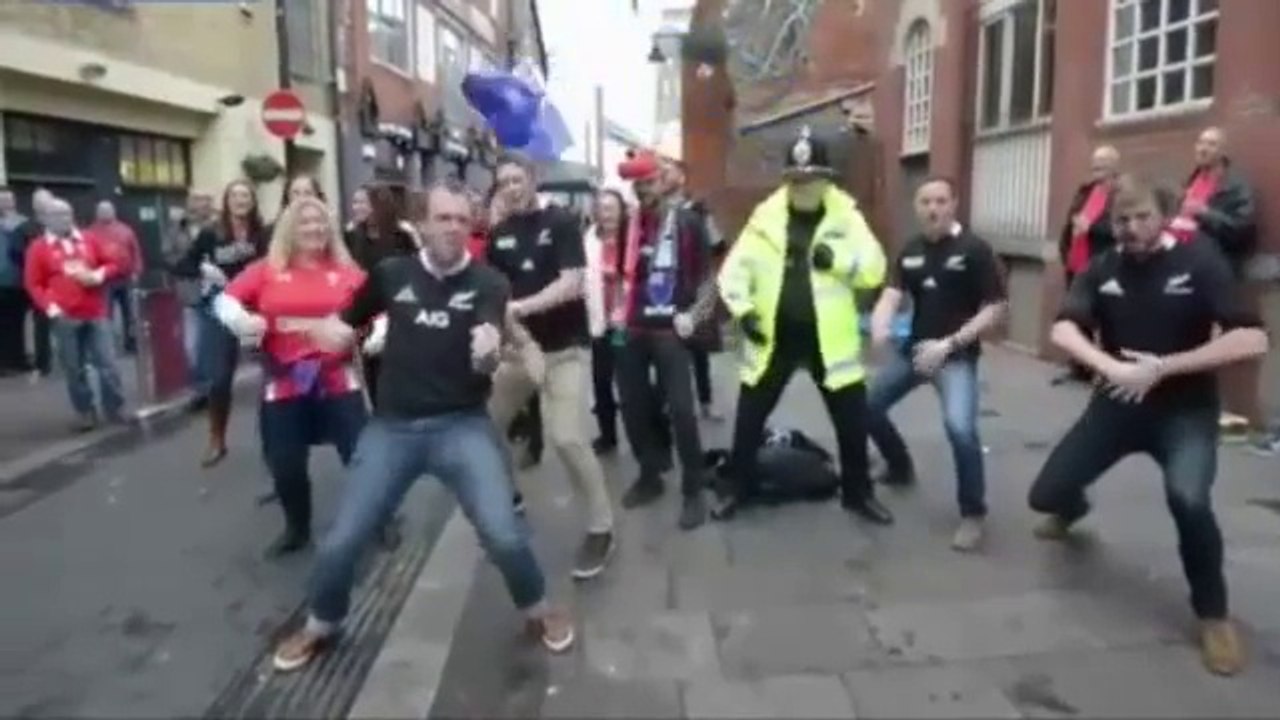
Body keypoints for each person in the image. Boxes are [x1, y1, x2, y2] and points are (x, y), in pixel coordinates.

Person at [270, 179, 575, 672]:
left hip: (463, 425)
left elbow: (489, 341)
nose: (453, 229)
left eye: (461, 219)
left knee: (504, 534)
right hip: (394, 428)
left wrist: (488, 353)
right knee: (343, 539)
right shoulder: (392, 274)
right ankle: (321, 624)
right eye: (443, 219)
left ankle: (539, 607)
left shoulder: (489, 283)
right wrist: (327, 332)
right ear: (424, 223)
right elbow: (346, 323)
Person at [1028, 176, 1266, 677]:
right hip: (1116, 405)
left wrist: (1163, 366)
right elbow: (1063, 327)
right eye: (1121, 220)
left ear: (1164, 217)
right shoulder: (1103, 266)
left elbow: (1252, 340)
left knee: (1189, 500)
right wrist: (1109, 367)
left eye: (1142, 218)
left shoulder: (1199, 261)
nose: (1131, 229)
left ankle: (1214, 617)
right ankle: (1072, 507)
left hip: (1184, 411)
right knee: (1045, 495)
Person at [712, 126, 892, 525]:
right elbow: (733, 273)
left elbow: (875, 269)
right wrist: (744, 313)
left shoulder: (847, 217)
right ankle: (737, 489)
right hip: (774, 336)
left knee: (851, 423)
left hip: (830, 341)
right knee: (749, 419)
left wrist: (839, 263)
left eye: (810, 178)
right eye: (795, 178)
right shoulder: (766, 218)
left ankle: (858, 494)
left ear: (825, 178)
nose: (802, 185)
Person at [212, 197, 369, 556]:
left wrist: (373, 336)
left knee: (362, 458)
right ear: (289, 229)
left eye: (320, 222)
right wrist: (242, 321)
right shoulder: (266, 269)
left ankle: (378, 519)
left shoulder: (347, 272)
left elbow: (380, 310)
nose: (314, 229)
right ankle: (297, 528)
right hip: (286, 378)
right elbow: (224, 301)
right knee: (284, 463)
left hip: (336, 376)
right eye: (305, 222)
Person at [485, 153, 616, 579]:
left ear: (533, 178)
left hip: (564, 351)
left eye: (516, 179)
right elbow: (492, 290)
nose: (510, 187)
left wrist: (520, 307)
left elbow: (571, 283)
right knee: (482, 427)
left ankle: (601, 528)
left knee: (567, 438)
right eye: (503, 181)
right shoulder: (499, 234)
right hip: (521, 352)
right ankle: (507, 499)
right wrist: (503, 332)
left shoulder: (560, 222)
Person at [866, 176, 1007, 551]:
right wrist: (880, 322)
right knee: (866, 406)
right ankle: (899, 466)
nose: (933, 209)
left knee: (960, 429)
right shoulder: (910, 250)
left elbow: (994, 308)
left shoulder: (974, 249)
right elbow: (892, 294)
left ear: (954, 204)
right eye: (926, 202)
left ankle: (973, 513)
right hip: (915, 351)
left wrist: (950, 344)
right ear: (917, 207)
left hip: (955, 357)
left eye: (941, 201)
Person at [612, 149, 720, 530]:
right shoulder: (629, 224)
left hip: (671, 330)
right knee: (633, 406)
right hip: (633, 328)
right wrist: (616, 313)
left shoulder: (689, 222)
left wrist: (695, 315)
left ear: (662, 180)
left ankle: (693, 488)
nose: (643, 189)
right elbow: (624, 275)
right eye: (637, 184)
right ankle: (650, 473)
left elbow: (709, 282)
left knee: (681, 409)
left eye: (649, 181)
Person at [1170, 126, 1261, 442]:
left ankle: (1209, 411)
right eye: (1200, 142)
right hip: (1182, 269)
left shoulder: (1236, 186)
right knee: (1183, 338)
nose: (1202, 148)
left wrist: (1204, 212)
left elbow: (1243, 230)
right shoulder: (1191, 180)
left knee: (1210, 346)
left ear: (1223, 152)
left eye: (1210, 144)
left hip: (1215, 273)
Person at [172, 179, 269, 467]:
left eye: (246, 195)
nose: (241, 200)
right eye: (235, 196)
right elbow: (182, 265)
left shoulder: (262, 234)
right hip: (223, 308)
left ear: (253, 201)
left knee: (273, 374)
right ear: (227, 201)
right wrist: (203, 269)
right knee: (218, 378)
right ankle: (217, 439)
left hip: (257, 308)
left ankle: (274, 438)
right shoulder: (211, 232)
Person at [23, 198, 128, 430]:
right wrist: (51, 308)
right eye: (58, 215)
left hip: (96, 311)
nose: (64, 219)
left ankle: (115, 407)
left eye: (67, 214)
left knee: (108, 363)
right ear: (46, 219)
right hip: (65, 316)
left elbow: (113, 264)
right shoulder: (38, 248)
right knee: (74, 367)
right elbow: (33, 283)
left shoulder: (89, 239)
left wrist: (98, 275)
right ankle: (85, 411)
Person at [344, 183, 419, 406]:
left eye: (362, 202)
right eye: (354, 202)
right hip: (364, 315)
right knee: (371, 378)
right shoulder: (350, 236)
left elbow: (418, 271)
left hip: (397, 315)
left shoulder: (403, 235)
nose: (356, 207)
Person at [1052, 145, 1120, 386]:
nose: (1095, 170)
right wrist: (1065, 248)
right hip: (1076, 262)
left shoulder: (1119, 194)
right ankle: (1080, 368)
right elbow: (1071, 222)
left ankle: (1108, 369)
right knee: (1078, 315)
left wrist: (1090, 227)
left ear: (1114, 167)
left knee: (1107, 317)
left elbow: (1118, 230)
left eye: (1101, 166)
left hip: (1102, 263)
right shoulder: (1085, 191)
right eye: (1094, 165)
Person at [583, 188, 628, 454]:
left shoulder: (632, 239)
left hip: (627, 325)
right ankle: (607, 436)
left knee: (632, 384)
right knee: (601, 382)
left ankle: (653, 436)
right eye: (602, 208)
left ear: (622, 211)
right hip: (600, 322)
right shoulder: (589, 240)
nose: (607, 213)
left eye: (612, 207)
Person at [163, 190, 217, 404]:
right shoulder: (178, 227)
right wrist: (186, 266)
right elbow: (167, 253)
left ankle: (212, 386)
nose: (200, 205)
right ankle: (201, 388)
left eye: (204, 201)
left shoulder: (218, 226)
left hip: (216, 291)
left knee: (212, 344)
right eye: (195, 201)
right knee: (192, 345)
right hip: (189, 291)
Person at [90, 200, 143, 355]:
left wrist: (136, 271)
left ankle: (131, 341)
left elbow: (136, 252)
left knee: (131, 314)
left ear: (114, 212)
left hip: (125, 278)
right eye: (102, 211)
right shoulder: (91, 232)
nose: (105, 213)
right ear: (97, 213)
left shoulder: (126, 230)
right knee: (105, 314)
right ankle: (106, 345)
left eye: (108, 210)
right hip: (105, 280)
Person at [16, 188, 56, 377]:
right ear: (34, 206)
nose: (44, 206)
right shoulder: (26, 228)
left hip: (62, 283)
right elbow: (16, 253)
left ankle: (74, 358)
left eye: (47, 202)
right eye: (40, 203)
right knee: (43, 323)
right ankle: (43, 362)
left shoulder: (60, 225)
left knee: (68, 320)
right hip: (40, 285)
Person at [0, 187, 31, 374]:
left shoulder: (23, 224)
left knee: (18, 323)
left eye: (8, 199)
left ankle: (18, 359)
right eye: (2, 200)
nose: (5, 203)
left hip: (18, 281)